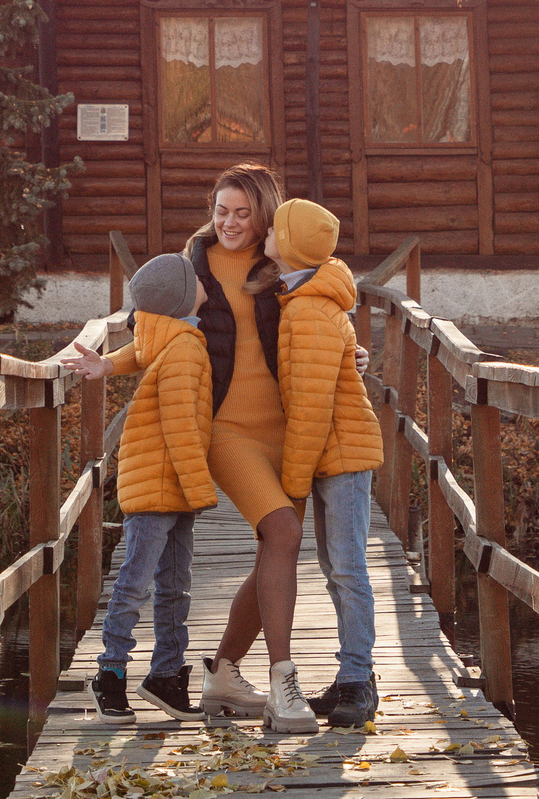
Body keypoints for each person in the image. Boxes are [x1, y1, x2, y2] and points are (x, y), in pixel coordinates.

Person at [71, 163, 318, 732]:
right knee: (282, 533)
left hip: (286, 427)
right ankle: (284, 682)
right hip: (225, 429)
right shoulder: (191, 267)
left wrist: (348, 359)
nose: (229, 223)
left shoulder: (279, 265)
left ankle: (222, 673)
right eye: (220, 211)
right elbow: (153, 336)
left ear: (264, 215)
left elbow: (320, 323)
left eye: (242, 213)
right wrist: (108, 362)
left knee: (276, 548)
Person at [73, 251, 214, 720]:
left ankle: (165, 676)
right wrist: (200, 489)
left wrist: (106, 366)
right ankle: (110, 673)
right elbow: (180, 427)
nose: (201, 280)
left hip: (162, 481)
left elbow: (137, 350)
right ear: (181, 298)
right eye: (194, 279)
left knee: (174, 584)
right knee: (138, 581)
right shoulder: (186, 345)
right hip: (161, 481)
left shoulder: (164, 332)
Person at [269, 198, 384, 729]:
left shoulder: (310, 310)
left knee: (347, 567)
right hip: (331, 455)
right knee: (337, 568)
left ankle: (360, 681)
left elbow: (312, 409)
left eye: (273, 230)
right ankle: (350, 673)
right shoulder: (305, 299)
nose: (265, 235)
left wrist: (291, 481)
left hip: (339, 455)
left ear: (289, 247)